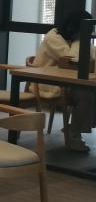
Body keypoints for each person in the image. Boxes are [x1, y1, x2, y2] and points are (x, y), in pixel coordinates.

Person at [33, 10, 94, 152]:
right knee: (86, 94)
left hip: (66, 81)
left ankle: (74, 128)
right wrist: (81, 41)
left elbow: (91, 54)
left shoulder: (71, 39)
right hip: (46, 82)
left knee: (91, 92)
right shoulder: (53, 37)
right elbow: (71, 58)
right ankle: (74, 134)